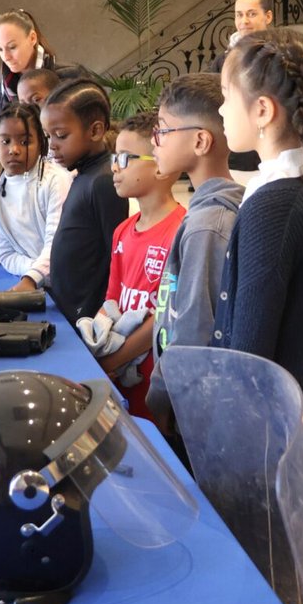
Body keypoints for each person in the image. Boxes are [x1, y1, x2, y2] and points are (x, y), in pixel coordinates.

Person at [211, 27, 303, 503]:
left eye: (227, 97)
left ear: (263, 110)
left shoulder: (277, 203)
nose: (222, 110)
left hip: (280, 429)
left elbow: (250, 345)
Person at [145, 73, 244, 425]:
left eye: (162, 130)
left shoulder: (209, 225)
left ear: (201, 141)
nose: (153, 142)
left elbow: (195, 331)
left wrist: (162, 399)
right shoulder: (206, 212)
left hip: (189, 408)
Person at [84, 112, 185, 425]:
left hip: (157, 380)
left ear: (159, 162)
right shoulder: (122, 231)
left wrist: (115, 359)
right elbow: (112, 300)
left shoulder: (182, 231)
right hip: (120, 373)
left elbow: (165, 316)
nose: (115, 167)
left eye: (126, 158)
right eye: (115, 157)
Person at [43, 78, 130, 322]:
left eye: (60, 135)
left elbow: (115, 257)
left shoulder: (103, 182)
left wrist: (100, 316)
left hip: (86, 316)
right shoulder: (84, 174)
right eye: (48, 136)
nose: (52, 146)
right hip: (69, 307)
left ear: (95, 130)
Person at [0, 101, 71, 292]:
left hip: (68, 283)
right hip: (39, 280)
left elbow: (56, 246)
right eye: (5, 141)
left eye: (24, 142)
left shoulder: (56, 181)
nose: (14, 149)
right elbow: (5, 255)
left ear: (41, 143)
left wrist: (31, 278)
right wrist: (34, 273)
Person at [209, 0, 275, 180]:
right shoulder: (224, 59)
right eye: (239, 15)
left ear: (268, 16)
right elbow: (212, 95)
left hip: (270, 151)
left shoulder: (280, 54)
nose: (244, 21)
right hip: (235, 155)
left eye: (251, 14)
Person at [0, 9, 59, 115]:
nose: (5, 57)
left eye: (12, 47)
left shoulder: (69, 75)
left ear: (32, 38)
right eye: (0, 49)